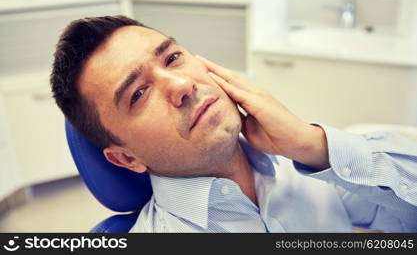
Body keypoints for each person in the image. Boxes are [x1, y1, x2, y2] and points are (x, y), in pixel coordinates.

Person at [50, 15, 417, 232]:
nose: (182, 85)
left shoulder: (308, 165)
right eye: (138, 94)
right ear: (127, 159)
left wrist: (312, 145)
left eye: (174, 57)